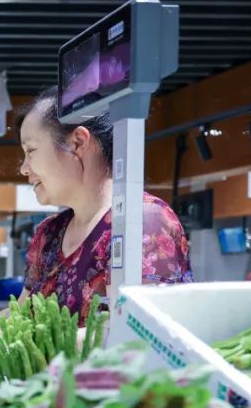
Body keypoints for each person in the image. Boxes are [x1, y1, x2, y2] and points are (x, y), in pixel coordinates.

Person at [16, 86, 191, 320]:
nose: (24, 168)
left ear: (78, 143)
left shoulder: (142, 220)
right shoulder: (49, 233)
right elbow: (19, 317)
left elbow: (135, 331)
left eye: (31, 151)